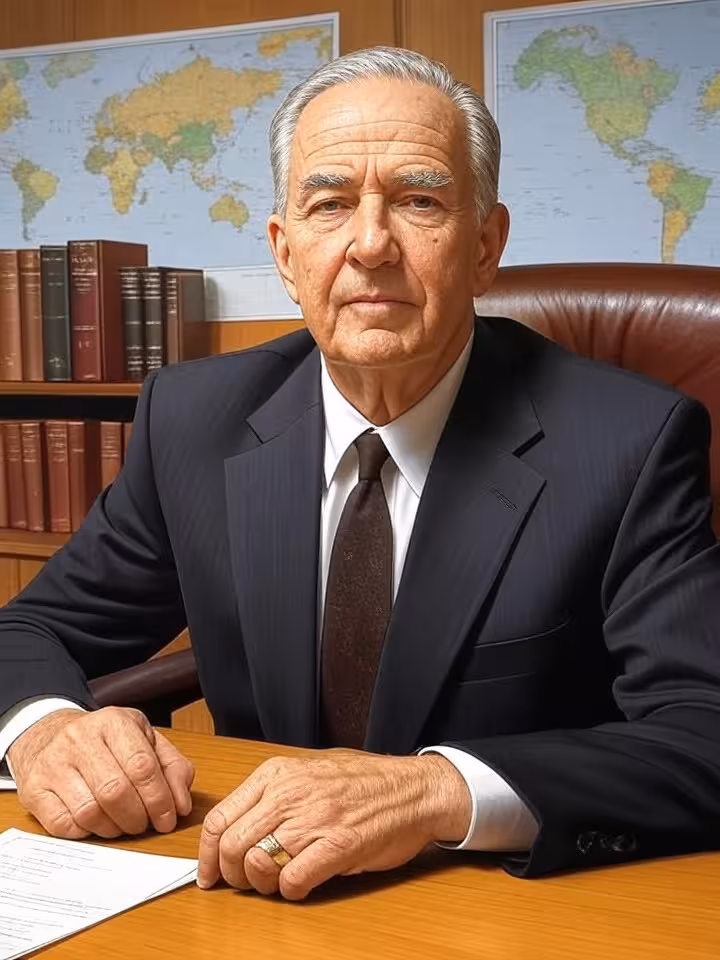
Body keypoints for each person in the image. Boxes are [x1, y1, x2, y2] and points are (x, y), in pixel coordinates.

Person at [2, 46, 720, 901]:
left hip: (493, 905)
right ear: (284, 250)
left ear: (486, 244)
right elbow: (25, 634)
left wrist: (434, 790)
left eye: (420, 202)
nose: (371, 245)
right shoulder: (193, 419)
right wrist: (44, 729)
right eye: (330, 204)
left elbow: (703, 733)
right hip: (250, 892)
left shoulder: (630, 442)